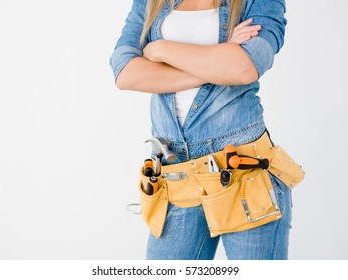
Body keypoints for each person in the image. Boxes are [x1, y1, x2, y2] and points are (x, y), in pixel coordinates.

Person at [110, 0, 301, 260]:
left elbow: (245, 68)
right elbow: (125, 73)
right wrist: (219, 59)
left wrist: (159, 49)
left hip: (244, 173)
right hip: (174, 176)